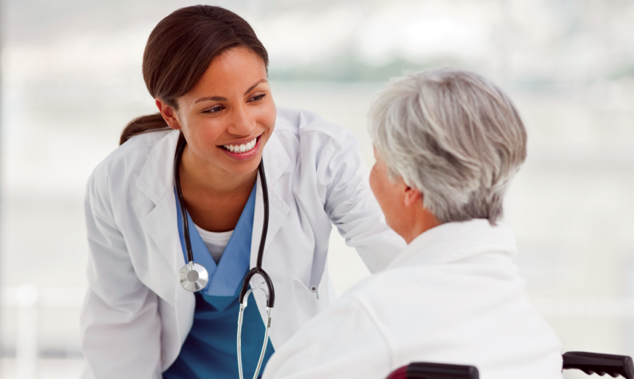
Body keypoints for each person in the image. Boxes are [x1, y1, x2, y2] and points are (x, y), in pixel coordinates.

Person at [80, 5, 404, 379]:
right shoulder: (119, 181)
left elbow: (398, 256)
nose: (245, 125)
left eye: (256, 97)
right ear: (170, 114)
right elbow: (117, 321)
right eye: (215, 108)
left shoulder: (321, 155)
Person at [261, 69, 564, 379]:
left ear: (408, 186)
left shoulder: (371, 316)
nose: (371, 174)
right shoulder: (535, 334)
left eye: (378, 161)